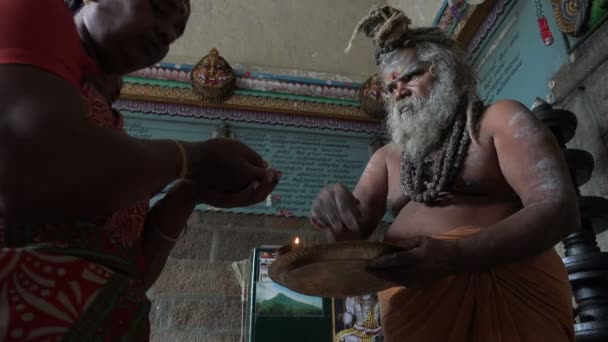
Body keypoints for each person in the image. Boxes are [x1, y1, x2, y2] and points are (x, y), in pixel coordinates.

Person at [0, 0, 279, 340]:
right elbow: (36, 161)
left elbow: (128, 277)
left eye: (175, 33)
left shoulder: (108, 128)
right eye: (159, 7)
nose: (166, 33)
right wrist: (195, 158)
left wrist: (192, 190)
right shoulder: (33, 10)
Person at [310, 6, 579, 342]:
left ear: (447, 71)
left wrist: (455, 257)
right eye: (391, 88)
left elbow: (559, 207)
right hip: (416, 313)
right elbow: (346, 240)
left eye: (411, 76)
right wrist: (332, 211)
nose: (400, 93)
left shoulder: (497, 120)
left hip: (511, 300)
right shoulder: (387, 159)